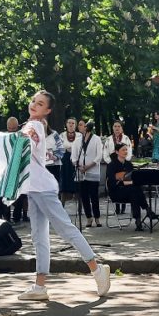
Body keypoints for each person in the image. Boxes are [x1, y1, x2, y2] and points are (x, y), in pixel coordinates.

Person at [15, 90, 111, 301]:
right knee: (39, 236)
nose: (34, 105)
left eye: (40, 104)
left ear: (47, 111)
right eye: (33, 101)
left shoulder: (35, 126)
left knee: (65, 229)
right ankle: (40, 287)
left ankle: (97, 270)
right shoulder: (30, 126)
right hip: (34, 188)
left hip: (43, 188)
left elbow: (20, 141)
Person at [107, 143, 159, 231]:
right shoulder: (111, 165)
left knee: (134, 191)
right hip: (116, 192)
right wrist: (124, 182)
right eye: (123, 150)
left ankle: (138, 221)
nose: (125, 151)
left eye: (126, 150)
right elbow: (111, 182)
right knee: (134, 190)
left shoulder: (128, 164)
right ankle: (147, 211)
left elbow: (133, 178)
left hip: (130, 191)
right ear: (117, 152)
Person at [73, 121, 103, 227]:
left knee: (94, 196)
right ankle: (89, 218)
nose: (81, 126)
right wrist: (78, 166)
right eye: (80, 125)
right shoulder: (77, 141)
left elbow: (99, 155)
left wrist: (89, 166)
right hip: (81, 172)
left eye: (83, 125)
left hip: (93, 171)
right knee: (84, 197)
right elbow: (73, 156)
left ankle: (97, 218)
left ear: (87, 127)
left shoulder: (96, 139)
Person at [59, 118, 81, 202]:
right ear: (66, 124)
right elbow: (60, 147)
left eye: (73, 123)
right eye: (69, 123)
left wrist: (71, 148)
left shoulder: (79, 135)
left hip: (76, 159)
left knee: (76, 181)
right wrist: (70, 148)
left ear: (75, 125)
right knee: (65, 180)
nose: (71, 125)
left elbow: (80, 146)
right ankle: (63, 202)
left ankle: (78, 204)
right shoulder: (62, 135)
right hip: (65, 160)